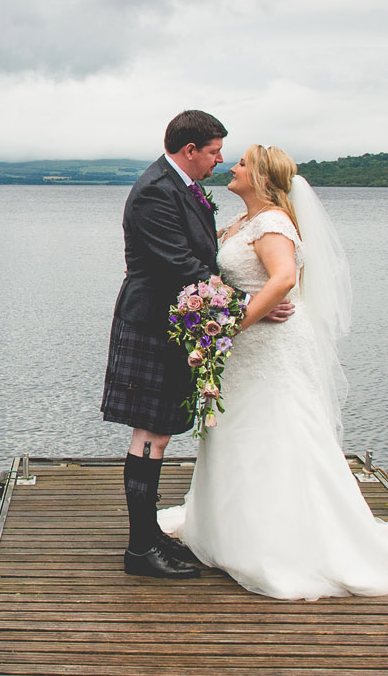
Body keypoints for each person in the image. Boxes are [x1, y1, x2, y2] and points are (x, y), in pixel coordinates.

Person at [156, 145, 388, 599]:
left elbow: (281, 280)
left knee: (279, 429)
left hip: (270, 345)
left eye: (241, 164)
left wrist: (232, 324)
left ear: (260, 177)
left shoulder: (273, 222)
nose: (232, 168)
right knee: (238, 429)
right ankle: (229, 529)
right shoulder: (242, 223)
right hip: (245, 348)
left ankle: (286, 541)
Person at [102, 111, 292, 579]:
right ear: (190, 151)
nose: (221, 160)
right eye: (214, 151)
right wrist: (249, 302)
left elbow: (201, 259)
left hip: (173, 322)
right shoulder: (155, 191)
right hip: (151, 322)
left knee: (159, 433)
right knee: (150, 434)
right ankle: (140, 551)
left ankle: (150, 537)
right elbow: (182, 265)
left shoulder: (178, 186)